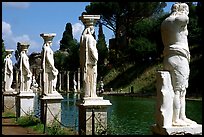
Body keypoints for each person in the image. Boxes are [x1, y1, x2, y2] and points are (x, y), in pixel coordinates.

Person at [161, 3, 197, 126]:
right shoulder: (178, 19)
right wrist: (183, 10)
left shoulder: (165, 22)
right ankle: (176, 119)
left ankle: (182, 116)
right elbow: (185, 19)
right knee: (179, 90)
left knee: (178, 90)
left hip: (169, 57)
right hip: (179, 58)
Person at [80, 24, 98, 98]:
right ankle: (92, 94)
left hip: (85, 61)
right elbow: (91, 47)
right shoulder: (90, 37)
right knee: (92, 78)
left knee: (87, 78)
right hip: (91, 62)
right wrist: (96, 57)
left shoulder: (83, 38)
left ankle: (87, 93)